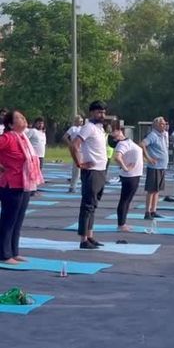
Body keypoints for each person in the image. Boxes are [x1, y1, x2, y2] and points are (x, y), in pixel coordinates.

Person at [0, 110, 43, 263]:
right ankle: (4, 254)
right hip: (11, 184)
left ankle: (13, 251)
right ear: (11, 124)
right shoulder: (7, 138)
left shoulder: (24, 138)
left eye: (23, 116)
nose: (23, 119)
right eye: (18, 118)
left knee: (18, 219)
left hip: (25, 183)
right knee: (8, 219)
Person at [70, 101, 108, 249]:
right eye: (99, 112)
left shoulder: (99, 128)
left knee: (93, 205)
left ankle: (90, 236)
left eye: (103, 112)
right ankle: (83, 239)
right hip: (92, 171)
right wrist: (79, 163)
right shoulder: (89, 127)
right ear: (92, 113)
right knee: (87, 205)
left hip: (100, 170)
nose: (102, 115)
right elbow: (74, 144)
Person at [112, 128, 144, 231]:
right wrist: (125, 168)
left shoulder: (127, 141)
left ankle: (123, 223)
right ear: (115, 138)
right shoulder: (122, 144)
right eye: (115, 131)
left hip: (134, 174)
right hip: (130, 175)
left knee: (127, 200)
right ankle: (121, 224)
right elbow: (117, 157)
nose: (118, 130)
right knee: (125, 200)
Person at [140, 116, 169, 219]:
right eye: (161, 124)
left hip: (162, 166)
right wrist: (148, 158)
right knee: (151, 190)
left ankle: (153, 210)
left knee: (157, 190)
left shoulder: (164, 135)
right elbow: (142, 144)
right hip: (154, 167)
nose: (164, 125)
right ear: (156, 125)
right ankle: (147, 211)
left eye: (164, 124)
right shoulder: (153, 135)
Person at [63, 114, 84, 193]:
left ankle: (83, 186)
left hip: (83, 150)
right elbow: (65, 137)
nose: (81, 122)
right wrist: (70, 144)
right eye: (80, 120)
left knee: (84, 169)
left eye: (82, 121)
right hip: (76, 150)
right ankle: (72, 186)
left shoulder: (83, 129)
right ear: (76, 121)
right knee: (77, 169)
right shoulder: (73, 128)